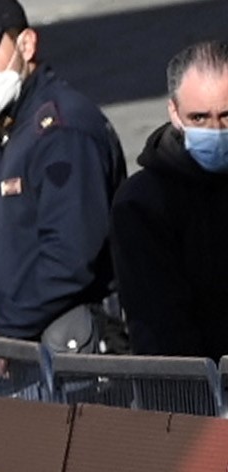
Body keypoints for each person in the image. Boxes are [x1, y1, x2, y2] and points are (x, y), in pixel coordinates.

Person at [0, 0, 127, 350]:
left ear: (26, 45)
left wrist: (2, 322)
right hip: (42, 336)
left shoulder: (60, 131)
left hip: (76, 349)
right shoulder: (24, 125)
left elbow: (69, 257)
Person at [110, 39, 228, 359]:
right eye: (199, 118)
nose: (216, 130)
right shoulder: (142, 204)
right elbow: (160, 328)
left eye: (226, 116)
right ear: (175, 114)